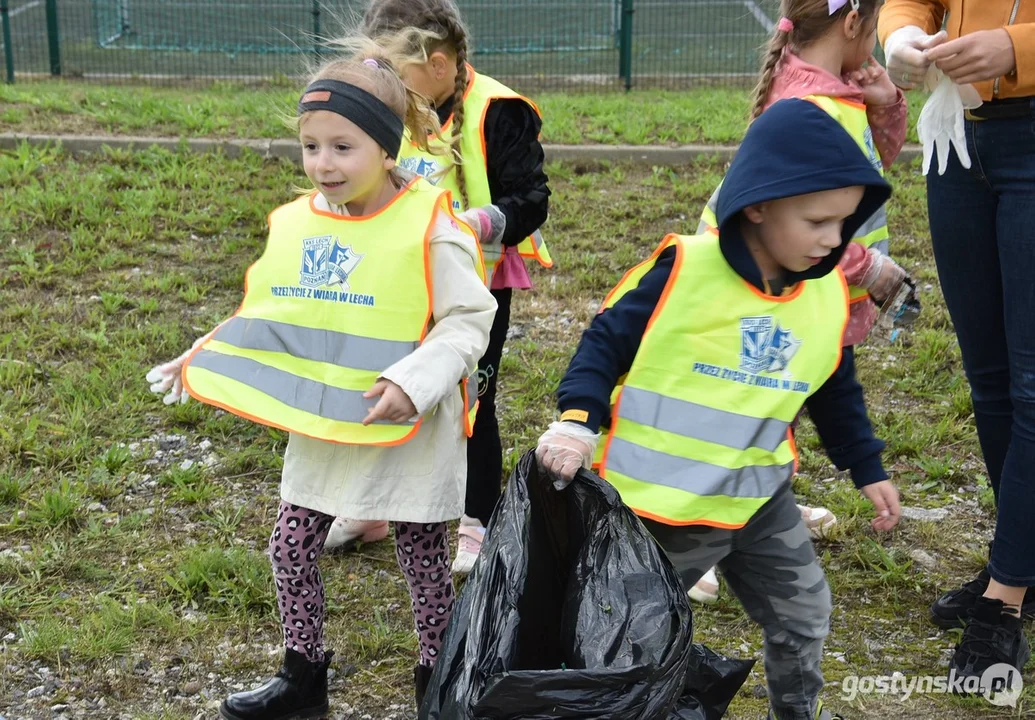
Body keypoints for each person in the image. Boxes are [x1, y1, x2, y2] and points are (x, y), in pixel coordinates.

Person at [146, 40, 496, 717]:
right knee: (289, 546)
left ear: (386, 150)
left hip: (407, 426)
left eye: (343, 147)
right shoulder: (304, 224)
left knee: (422, 560)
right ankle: (301, 679)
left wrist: (412, 380)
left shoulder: (430, 225)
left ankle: (439, 684)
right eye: (311, 146)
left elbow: (467, 321)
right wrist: (203, 355)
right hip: (326, 418)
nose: (323, 165)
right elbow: (275, 311)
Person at [536, 98, 901, 720]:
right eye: (817, 221)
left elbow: (833, 384)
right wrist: (577, 423)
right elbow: (603, 344)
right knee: (626, 641)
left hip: (759, 498)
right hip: (663, 512)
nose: (834, 240)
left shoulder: (826, 293)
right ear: (757, 205)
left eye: (844, 224)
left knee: (805, 616)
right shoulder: (684, 270)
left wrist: (866, 467)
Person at [690, 0, 914, 604]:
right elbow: (796, 227)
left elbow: (862, 177)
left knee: (779, 402)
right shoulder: (811, 107)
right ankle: (696, 539)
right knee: (745, 409)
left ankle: (763, 503)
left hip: (812, 291)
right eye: (875, 26)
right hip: (783, 287)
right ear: (852, 25)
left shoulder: (828, 94)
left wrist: (886, 105)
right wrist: (868, 267)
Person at [323, 0, 553, 576]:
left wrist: (473, 224)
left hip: (476, 279)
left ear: (442, 64)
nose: (385, 88)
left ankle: (477, 520)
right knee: (383, 380)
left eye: (396, 75)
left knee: (469, 396)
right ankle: (371, 509)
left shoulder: (500, 112)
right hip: (398, 275)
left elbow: (532, 199)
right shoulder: (385, 107)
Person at [881, 0, 1035, 681]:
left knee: (1032, 384)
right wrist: (902, 36)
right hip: (959, 137)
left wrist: (1017, 49)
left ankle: (1004, 600)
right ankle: (1021, 558)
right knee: (990, 377)